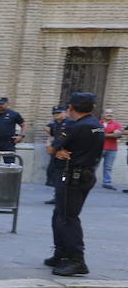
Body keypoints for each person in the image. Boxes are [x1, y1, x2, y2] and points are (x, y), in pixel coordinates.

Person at [45, 92, 104, 277]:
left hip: (71, 176)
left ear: (70, 107)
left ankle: (76, 260)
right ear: (93, 107)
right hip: (85, 174)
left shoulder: (75, 126)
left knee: (67, 218)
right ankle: (61, 254)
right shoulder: (97, 126)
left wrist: (55, 150)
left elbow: (53, 148)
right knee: (61, 215)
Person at [44, 106, 68, 202]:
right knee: (53, 173)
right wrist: (49, 145)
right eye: (54, 113)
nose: (56, 115)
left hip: (65, 154)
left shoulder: (69, 123)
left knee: (63, 176)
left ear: (64, 113)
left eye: (59, 113)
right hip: (55, 153)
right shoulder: (55, 124)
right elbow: (52, 136)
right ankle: (57, 196)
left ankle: (63, 197)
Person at [100, 108, 121, 190]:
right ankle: (89, 182)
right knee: (94, 166)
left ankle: (107, 183)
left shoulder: (117, 124)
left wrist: (104, 133)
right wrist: (112, 134)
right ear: (103, 114)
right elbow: (95, 134)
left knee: (108, 167)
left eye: (111, 113)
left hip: (112, 149)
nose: (109, 114)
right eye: (107, 113)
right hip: (99, 148)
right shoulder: (98, 123)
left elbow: (118, 135)